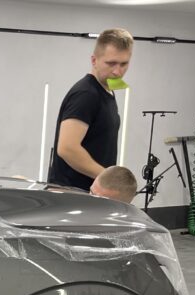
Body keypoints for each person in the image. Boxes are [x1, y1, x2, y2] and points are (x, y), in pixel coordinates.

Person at [48, 28, 134, 191]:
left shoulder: (106, 92)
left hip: (90, 192)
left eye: (124, 64)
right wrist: (108, 179)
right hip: (73, 194)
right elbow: (67, 148)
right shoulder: (86, 94)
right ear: (94, 60)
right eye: (111, 63)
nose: (117, 71)